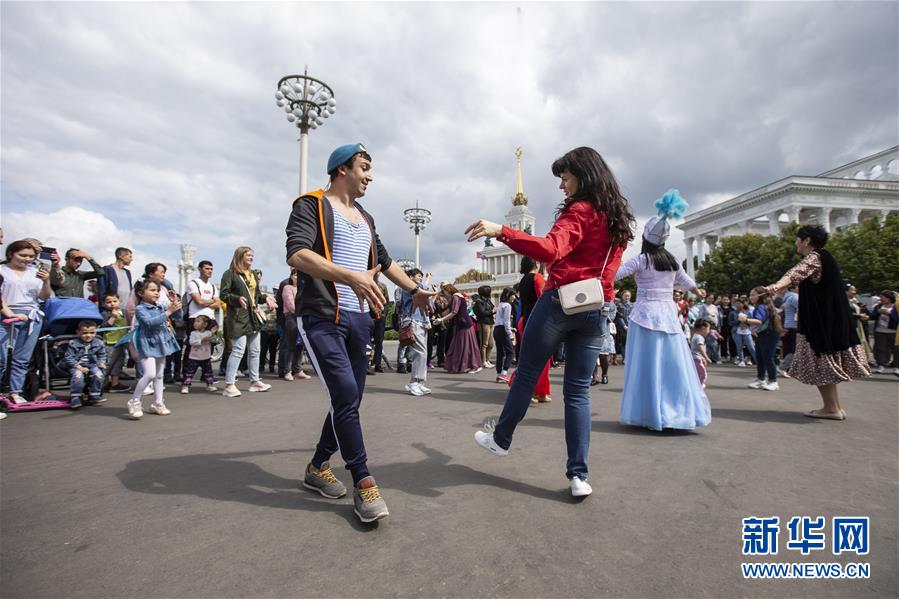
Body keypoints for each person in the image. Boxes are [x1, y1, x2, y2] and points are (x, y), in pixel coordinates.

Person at [466, 146, 632, 498]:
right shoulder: (617, 218)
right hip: (597, 307)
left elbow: (550, 249)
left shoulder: (580, 212)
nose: (561, 186)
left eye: (565, 178)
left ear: (583, 176)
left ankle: (501, 439)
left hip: (560, 302)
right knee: (578, 392)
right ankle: (578, 476)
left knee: (526, 374)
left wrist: (501, 230)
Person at [285, 142, 433, 523]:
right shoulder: (311, 205)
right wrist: (350, 276)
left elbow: (384, 261)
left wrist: (415, 290)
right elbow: (297, 254)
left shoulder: (365, 217)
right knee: (346, 394)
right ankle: (363, 480)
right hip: (322, 316)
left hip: (361, 319)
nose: (370, 176)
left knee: (348, 399)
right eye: (364, 167)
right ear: (342, 169)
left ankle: (318, 465)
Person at [614, 190, 710, 432]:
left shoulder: (642, 260)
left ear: (645, 237)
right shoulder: (672, 261)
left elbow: (615, 274)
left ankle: (650, 412)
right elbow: (687, 282)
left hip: (644, 317)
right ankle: (678, 412)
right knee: (673, 366)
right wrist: (698, 291)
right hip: (668, 318)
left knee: (646, 365)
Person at [764, 225, 869, 419]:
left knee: (820, 363)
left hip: (820, 323)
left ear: (807, 240)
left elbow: (795, 273)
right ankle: (834, 406)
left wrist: (776, 286)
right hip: (829, 320)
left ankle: (831, 408)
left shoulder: (814, 257)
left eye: (798, 238)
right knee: (824, 363)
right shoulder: (825, 257)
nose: (795, 242)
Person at [0, 240, 54, 403]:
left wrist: (46, 281)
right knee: (2, 358)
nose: (27, 259)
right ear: (11, 254)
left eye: (31, 256)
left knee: (22, 358)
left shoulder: (34, 272)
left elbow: (43, 296)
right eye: (22, 255)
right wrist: (9, 314)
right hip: (6, 314)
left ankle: (15, 391)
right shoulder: (2, 270)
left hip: (32, 316)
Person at [219, 247, 275, 398]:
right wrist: (237, 299)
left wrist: (266, 298)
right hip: (238, 317)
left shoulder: (252, 274)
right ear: (240, 256)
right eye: (248, 255)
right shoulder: (230, 274)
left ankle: (255, 381)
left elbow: (256, 295)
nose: (251, 257)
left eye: (252, 255)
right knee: (238, 350)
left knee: (255, 350)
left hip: (252, 317)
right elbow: (223, 294)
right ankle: (229, 385)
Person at [128, 279, 182, 419]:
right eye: (152, 290)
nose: (156, 293)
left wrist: (175, 303)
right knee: (150, 374)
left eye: (157, 290)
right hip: (147, 343)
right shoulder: (140, 309)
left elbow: (179, 316)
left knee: (159, 375)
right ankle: (134, 401)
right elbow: (149, 323)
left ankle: (158, 403)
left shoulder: (160, 307)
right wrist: (169, 311)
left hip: (161, 342)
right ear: (141, 293)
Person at [513, 257, 552, 400]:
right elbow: (544, 300)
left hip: (525, 319)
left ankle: (536, 390)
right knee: (541, 358)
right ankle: (536, 391)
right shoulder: (537, 278)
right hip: (537, 320)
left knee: (529, 357)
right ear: (536, 263)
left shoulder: (523, 280)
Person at [743, 287, 786, 391]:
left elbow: (759, 321)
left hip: (769, 334)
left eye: (753, 295)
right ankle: (761, 380)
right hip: (764, 334)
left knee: (768, 358)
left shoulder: (761, 307)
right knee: (760, 357)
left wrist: (746, 320)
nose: (751, 297)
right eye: (750, 295)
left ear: (761, 296)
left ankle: (773, 381)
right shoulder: (762, 306)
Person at [58, 320, 107, 408]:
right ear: (78, 332)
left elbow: (102, 355)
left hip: (91, 364)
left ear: (96, 331)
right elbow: (68, 357)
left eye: (92, 333)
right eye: (85, 333)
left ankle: (94, 395)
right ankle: (75, 396)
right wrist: (79, 367)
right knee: (78, 375)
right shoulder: (73, 343)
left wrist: (101, 363)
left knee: (98, 374)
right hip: (75, 365)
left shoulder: (99, 343)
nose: (88, 335)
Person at [398, 268, 432, 395]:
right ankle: (413, 382)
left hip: (422, 321)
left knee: (423, 353)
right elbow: (423, 289)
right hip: (413, 321)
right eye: (418, 276)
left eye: (421, 276)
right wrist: (429, 280)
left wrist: (428, 278)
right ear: (410, 277)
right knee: (420, 353)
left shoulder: (417, 287)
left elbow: (424, 287)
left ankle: (419, 382)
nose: (420, 278)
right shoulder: (408, 287)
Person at [439, 286, 482, 374]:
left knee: (463, 346)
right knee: (466, 346)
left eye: (444, 292)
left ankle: (472, 365)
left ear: (448, 290)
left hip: (463, 324)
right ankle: (471, 365)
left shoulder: (456, 297)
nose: (444, 294)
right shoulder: (458, 296)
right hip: (464, 323)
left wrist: (441, 319)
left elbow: (454, 312)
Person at [278, 269, 311, 381]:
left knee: (300, 345)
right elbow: (290, 304)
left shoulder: (303, 288)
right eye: (296, 275)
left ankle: (297, 370)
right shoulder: (287, 287)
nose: (297, 277)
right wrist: (301, 312)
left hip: (302, 318)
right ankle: (287, 371)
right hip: (292, 317)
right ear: (291, 276)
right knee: (290, 345)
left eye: (299, 275)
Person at [180, 314, 219, 394]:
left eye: (198, 321)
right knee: (189, 373)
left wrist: (213, 334)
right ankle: (185, 385)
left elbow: (215, 340)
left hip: (206, 357)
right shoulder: (193, 333)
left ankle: (210, 385)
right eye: (195, 321)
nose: (195, 323)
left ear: (205, 324)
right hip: (194, 358)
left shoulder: (208, 333)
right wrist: (202, 340)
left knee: (208, 373)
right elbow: (191, 342)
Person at [100, 292, 130, 392]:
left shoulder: (123, 312)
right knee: (108, 363)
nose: (112, 303)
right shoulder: (105, 314)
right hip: (110, 342)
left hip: (121, 341)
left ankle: (115, 383)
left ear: (119, 301)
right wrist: (112, 317)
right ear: (104, 304)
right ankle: (103, 383)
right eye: (109, 302)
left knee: (118, 363)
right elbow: (103, 327)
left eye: (114, 301)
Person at [871, 290, 898, 375]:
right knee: (880, 349)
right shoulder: (878, 306)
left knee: (895, 350)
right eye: (881, 297)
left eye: (883, 297)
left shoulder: (896, 306)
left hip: (893, 331)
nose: (881, 299)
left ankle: (896, 367)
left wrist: (888, 313)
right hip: (880, 331)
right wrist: (878, 312)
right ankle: (881, 366)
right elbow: (872, 316)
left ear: (889, 298)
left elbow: (897, 319)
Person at [492, 287, 516, 383]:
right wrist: (510, 333)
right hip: (503, 330)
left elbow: (500, 320)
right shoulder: (508, 305)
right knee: (510, 352)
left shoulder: (500, 304)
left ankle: (499, 374)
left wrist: (510, 328)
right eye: (513, 295)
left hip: (497, 329)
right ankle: (504, 373)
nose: (514, 297)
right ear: (508, 295)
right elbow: (506, 321)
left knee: (500, 353)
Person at [472, 285, 496, 368]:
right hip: (483, 323)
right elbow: (482, 313)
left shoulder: (488, 300)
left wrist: (492, 310)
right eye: (489, 291)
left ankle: (488, 360)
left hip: (490, 322)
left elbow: (492, 308)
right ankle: (483, 361)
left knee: (491, 344)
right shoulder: (479, 301)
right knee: (484, 344)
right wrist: (492, 312)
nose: (490, 292)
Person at [729, 298, 756, 367]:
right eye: (736, 304)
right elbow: (730, 323)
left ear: (743, 304)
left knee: (751, 346)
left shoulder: (748, 312)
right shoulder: (732, 313)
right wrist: (738, 321)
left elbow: (752, 321)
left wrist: (746, 321)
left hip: (747, 331)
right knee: (739, 347)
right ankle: (741, 361)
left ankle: (757, 360)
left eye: (739, 303)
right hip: (736, 331)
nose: (738, 305)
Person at [779, 285, 799, 375]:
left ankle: (788, 369)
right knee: (794, 349)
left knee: (788, 348)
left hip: (787, 325)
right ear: (793, 288)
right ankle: (783, 367)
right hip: (794, 326)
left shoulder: (787, 298)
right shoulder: (795, 297)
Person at [613, 289, 633, 365]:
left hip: (631, 326)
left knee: (631, 343)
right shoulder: (619, 305)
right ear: (622, 296)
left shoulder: (633, 305)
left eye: (628, 296)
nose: (627, 297)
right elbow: (619, 317)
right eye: (625, 296)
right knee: (622, 343)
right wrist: (624, 326)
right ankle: (625, 358)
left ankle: (630, 358)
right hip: (622, 327)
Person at [691, 319, 711, 389]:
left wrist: (703, 358)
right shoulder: (699, 337)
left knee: (697, 373)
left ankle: (697, 385)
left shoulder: (695, 335)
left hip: (696, 358)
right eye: (708, 329)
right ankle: (700, 386)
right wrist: (706, 357)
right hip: (697, 358)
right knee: (702, 374)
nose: (709, 331)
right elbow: (700, 347)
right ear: (703, 328)